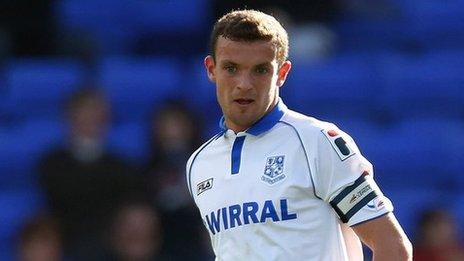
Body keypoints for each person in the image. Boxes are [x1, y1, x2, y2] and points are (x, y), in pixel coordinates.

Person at [186, 9, 412, 260]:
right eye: (231, 68)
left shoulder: (318, 142)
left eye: (260, 70)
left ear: (282, 74)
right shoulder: (199, 164)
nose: (244, 83)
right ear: (211, 69)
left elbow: (392, 246)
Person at [39, 88, 139, 258]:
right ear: (69, 118)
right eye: (83, 112)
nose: (89, 119)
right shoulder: (51, 165)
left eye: (95, 114)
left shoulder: (121, 168)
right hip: (66, 244)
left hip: (112, 248)